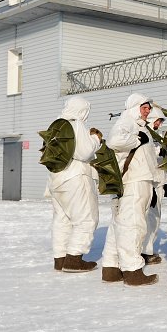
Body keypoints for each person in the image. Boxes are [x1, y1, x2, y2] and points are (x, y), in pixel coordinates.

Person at [102, 93, 160, 287]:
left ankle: (110, 267)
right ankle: (132, 270)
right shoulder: (128, 122)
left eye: (148, 108)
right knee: (133, 225)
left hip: (135, 179)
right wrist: (137, 140)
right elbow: (114, 141)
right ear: (134, 107)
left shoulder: (136, 125)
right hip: (135, 181)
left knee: (119, 224)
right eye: (144, 107)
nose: (147, 110)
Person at [49, 96, 103, 272]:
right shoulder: (76, 124)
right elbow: (85, 152)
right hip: (76, 178)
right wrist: (95, 139)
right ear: (82, 110)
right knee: (87, 219)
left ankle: (60, 259)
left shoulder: (56, 125)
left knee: (62, 219)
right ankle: (74, 259)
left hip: (56, 180)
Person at [141, 107, 167, 266]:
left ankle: (148, 249)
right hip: (150, 182)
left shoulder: (158, 136)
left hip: (158, 181)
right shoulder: (146, 135)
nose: (158, 123)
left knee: (155, 218)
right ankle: (144, 251)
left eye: (160, 121)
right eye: (156, 120)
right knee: (148, 218)